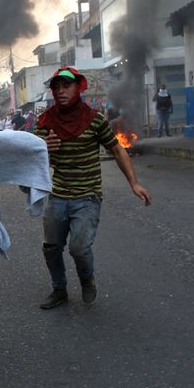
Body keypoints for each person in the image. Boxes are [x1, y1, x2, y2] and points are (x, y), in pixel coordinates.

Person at [35, 67, 152, 309]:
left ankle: (87, 280)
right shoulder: (45, 122)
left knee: (79, 248)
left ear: (79, 87)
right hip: (58, 196)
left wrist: (134, 182)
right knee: (51, 247)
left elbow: (117, 150)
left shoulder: (94, 119)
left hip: (87, 197)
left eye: (66, 85)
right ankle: (59, 290)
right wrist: (42, 149)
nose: (60, 91)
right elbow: (34, 163)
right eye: (56, 86)